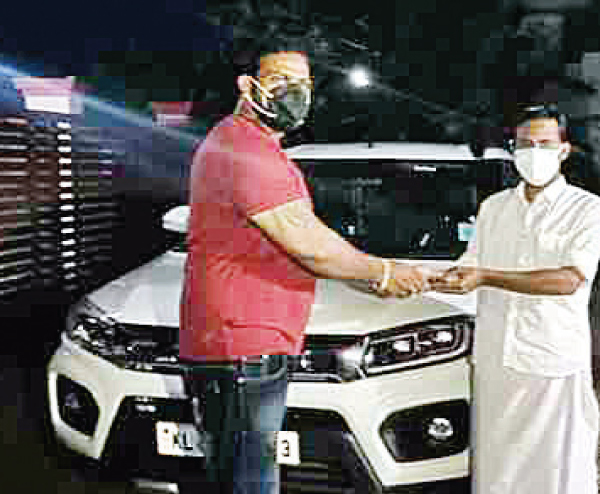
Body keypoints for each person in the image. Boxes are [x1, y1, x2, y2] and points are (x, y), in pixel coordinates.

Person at [178, 39, 429, 494]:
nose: (294, 92)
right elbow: (309, 245)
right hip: (243, 346)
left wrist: (376, 278)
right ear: (247, 86)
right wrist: (383, 273)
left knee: (236, 475)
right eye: (280, 80)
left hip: (240, 343)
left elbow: (301, 251)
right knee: (250, 481)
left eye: (303, 83)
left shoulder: (247, 146)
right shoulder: (245, 149)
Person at [430, 104, 600, 494]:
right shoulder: (494, 208)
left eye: (545, 143)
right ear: (513, 150)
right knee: (498, 469)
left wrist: (487, 277)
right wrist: (409, 280)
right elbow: (468, 269)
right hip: (496, 361)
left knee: (557, 470)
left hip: (552, 359)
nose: (534, 153)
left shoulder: (587, 209)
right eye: (525, 144)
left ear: (564, 150)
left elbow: (568, 280)